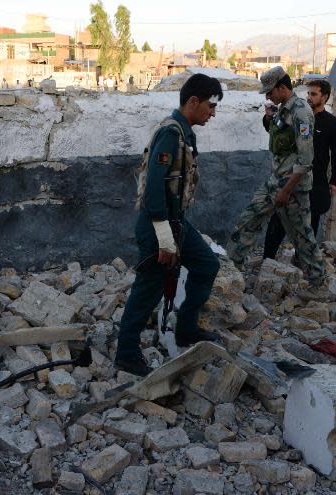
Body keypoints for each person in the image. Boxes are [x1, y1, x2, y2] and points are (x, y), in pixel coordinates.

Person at [114, 74, 224, 376]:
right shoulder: (170, 134)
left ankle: (187, 329)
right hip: (156, 225)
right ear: (193, 102)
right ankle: (126, 352)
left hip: (176, 223)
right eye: (210, 106)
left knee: (207, 265)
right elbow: (153, 192)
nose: (212, 113)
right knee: (148, 288)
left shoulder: (185, 134)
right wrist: (165, 238)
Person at [225, 66, 332, 301]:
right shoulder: (283, 110)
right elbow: (280, 142)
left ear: (282, 88)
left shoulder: (302, 112)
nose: (267, 96)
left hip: (292, 187)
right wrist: (270, 118)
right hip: (275, 182)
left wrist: (286, 190)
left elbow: (306, 160)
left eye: (270, 91)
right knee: (247, 221)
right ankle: (228, 274)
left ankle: (319, 283)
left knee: (302, 236)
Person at [263, 78, 336, 259]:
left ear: (325, 97)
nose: (309, 97)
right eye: (308, 93)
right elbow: (275, 132)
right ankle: (267, 260)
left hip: (316, 181)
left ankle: (303, 263)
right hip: (290, 179)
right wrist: (268, 117)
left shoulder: (331, 123)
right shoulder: (296, 114)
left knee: (310, 225)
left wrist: (335, 181)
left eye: (314, 94)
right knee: (278, 221)